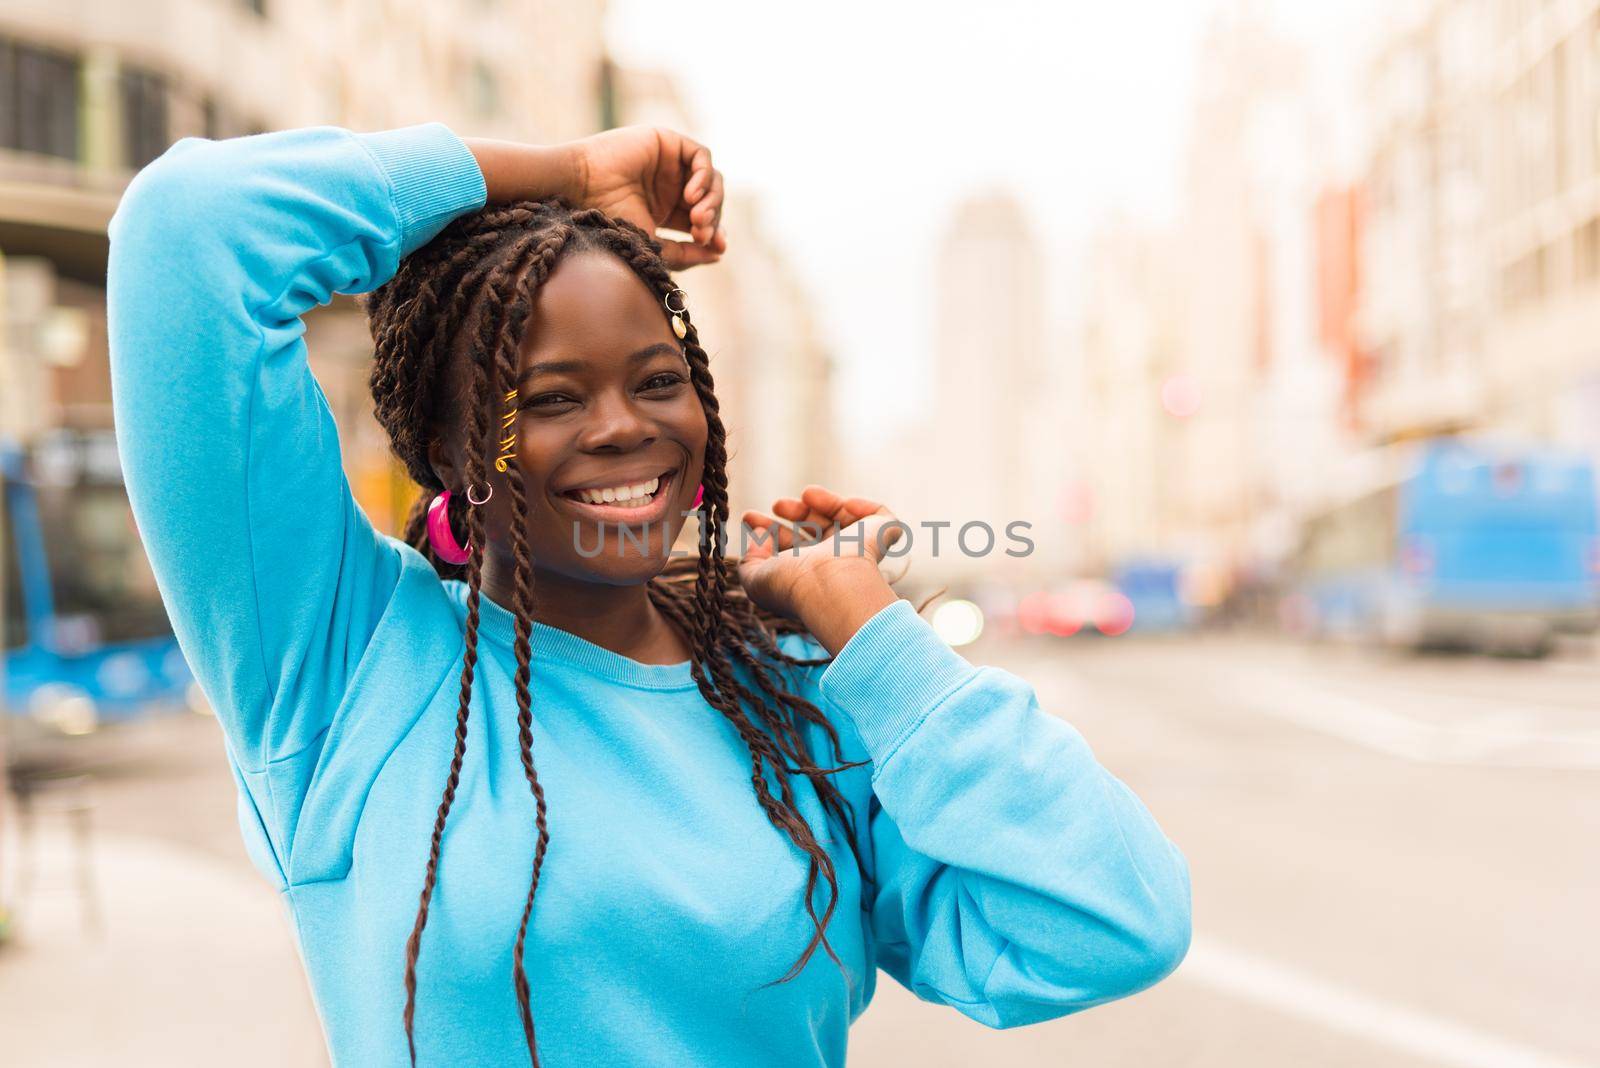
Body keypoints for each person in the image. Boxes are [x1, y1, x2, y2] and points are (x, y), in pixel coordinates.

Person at [106, 117, 1191, 1068]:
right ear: (446, 446)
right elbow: (194, 229)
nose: (626, 426)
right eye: (552, 396)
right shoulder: (343, 667)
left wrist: (873, 637)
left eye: (659, 380)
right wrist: (565, 171)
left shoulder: (796, 705)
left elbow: (1114, 922)